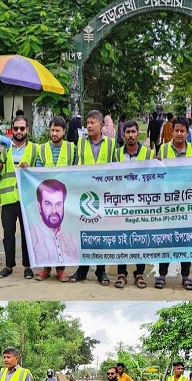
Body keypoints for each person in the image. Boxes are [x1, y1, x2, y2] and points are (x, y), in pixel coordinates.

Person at [20, 116, 76, 282]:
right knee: (46, 233)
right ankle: (46, 268)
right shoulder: (42, 149)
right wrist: (27, 169)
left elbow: (77, 169)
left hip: (62, 200)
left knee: (61, 233)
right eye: (52, 130)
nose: (54, 133)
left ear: (64, 132)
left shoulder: (72, 148)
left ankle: (61, 269)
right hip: (47, 199)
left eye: (57, 130)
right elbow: (37, 170)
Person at [155, 116, 192, 290]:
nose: (178, 134)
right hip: (168, 204)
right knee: (166, 239)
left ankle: (186, 276)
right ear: (172, 131)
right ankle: (162, 275)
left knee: (186, 240)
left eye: (182, 131)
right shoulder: (163, 149)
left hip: (187, 204)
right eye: (176, 130)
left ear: (187, 132)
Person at [70, 109, 117, 285]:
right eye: (87, 123)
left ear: (101, 125)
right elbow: (74, 167)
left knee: (101, 235)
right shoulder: (80, 144)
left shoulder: (111, 144)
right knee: (83, 234)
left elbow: (117, 169)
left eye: (92, 123)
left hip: (103, 197)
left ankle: (101, 270)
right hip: (84, 197)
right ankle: (82, 269)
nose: (88, 126)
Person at [0, 114, 34, 279]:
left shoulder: (34, 149)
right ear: (12, 130)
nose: (19, 131)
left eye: (22, 128)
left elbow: (40, 171)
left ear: (27, 129)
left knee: (26, 234)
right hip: (8, 198)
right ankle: (8, 266)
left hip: (26, 198)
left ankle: (27, 266)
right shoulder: (4, 149)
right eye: (16, 128)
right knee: (8, 234)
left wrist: (28, 168)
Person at [114, 120, 155, 290]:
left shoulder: (148, 154)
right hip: (122, 204)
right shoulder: (116, 154)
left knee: (140, 239)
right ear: (123, 135)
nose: (130, 135)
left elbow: (155, 177)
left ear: (138, 134)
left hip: (141, 205)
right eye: (127, 132)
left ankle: (139, 273)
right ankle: (121, 273)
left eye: (133, 132)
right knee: (122, 238)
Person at [27, 178, 78, 270]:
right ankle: (46, 270)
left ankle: (61, 270)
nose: (54, 210)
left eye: (58, 204)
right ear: (39, 206)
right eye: (48, 204)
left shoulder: (71, 239)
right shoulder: (32, 237)